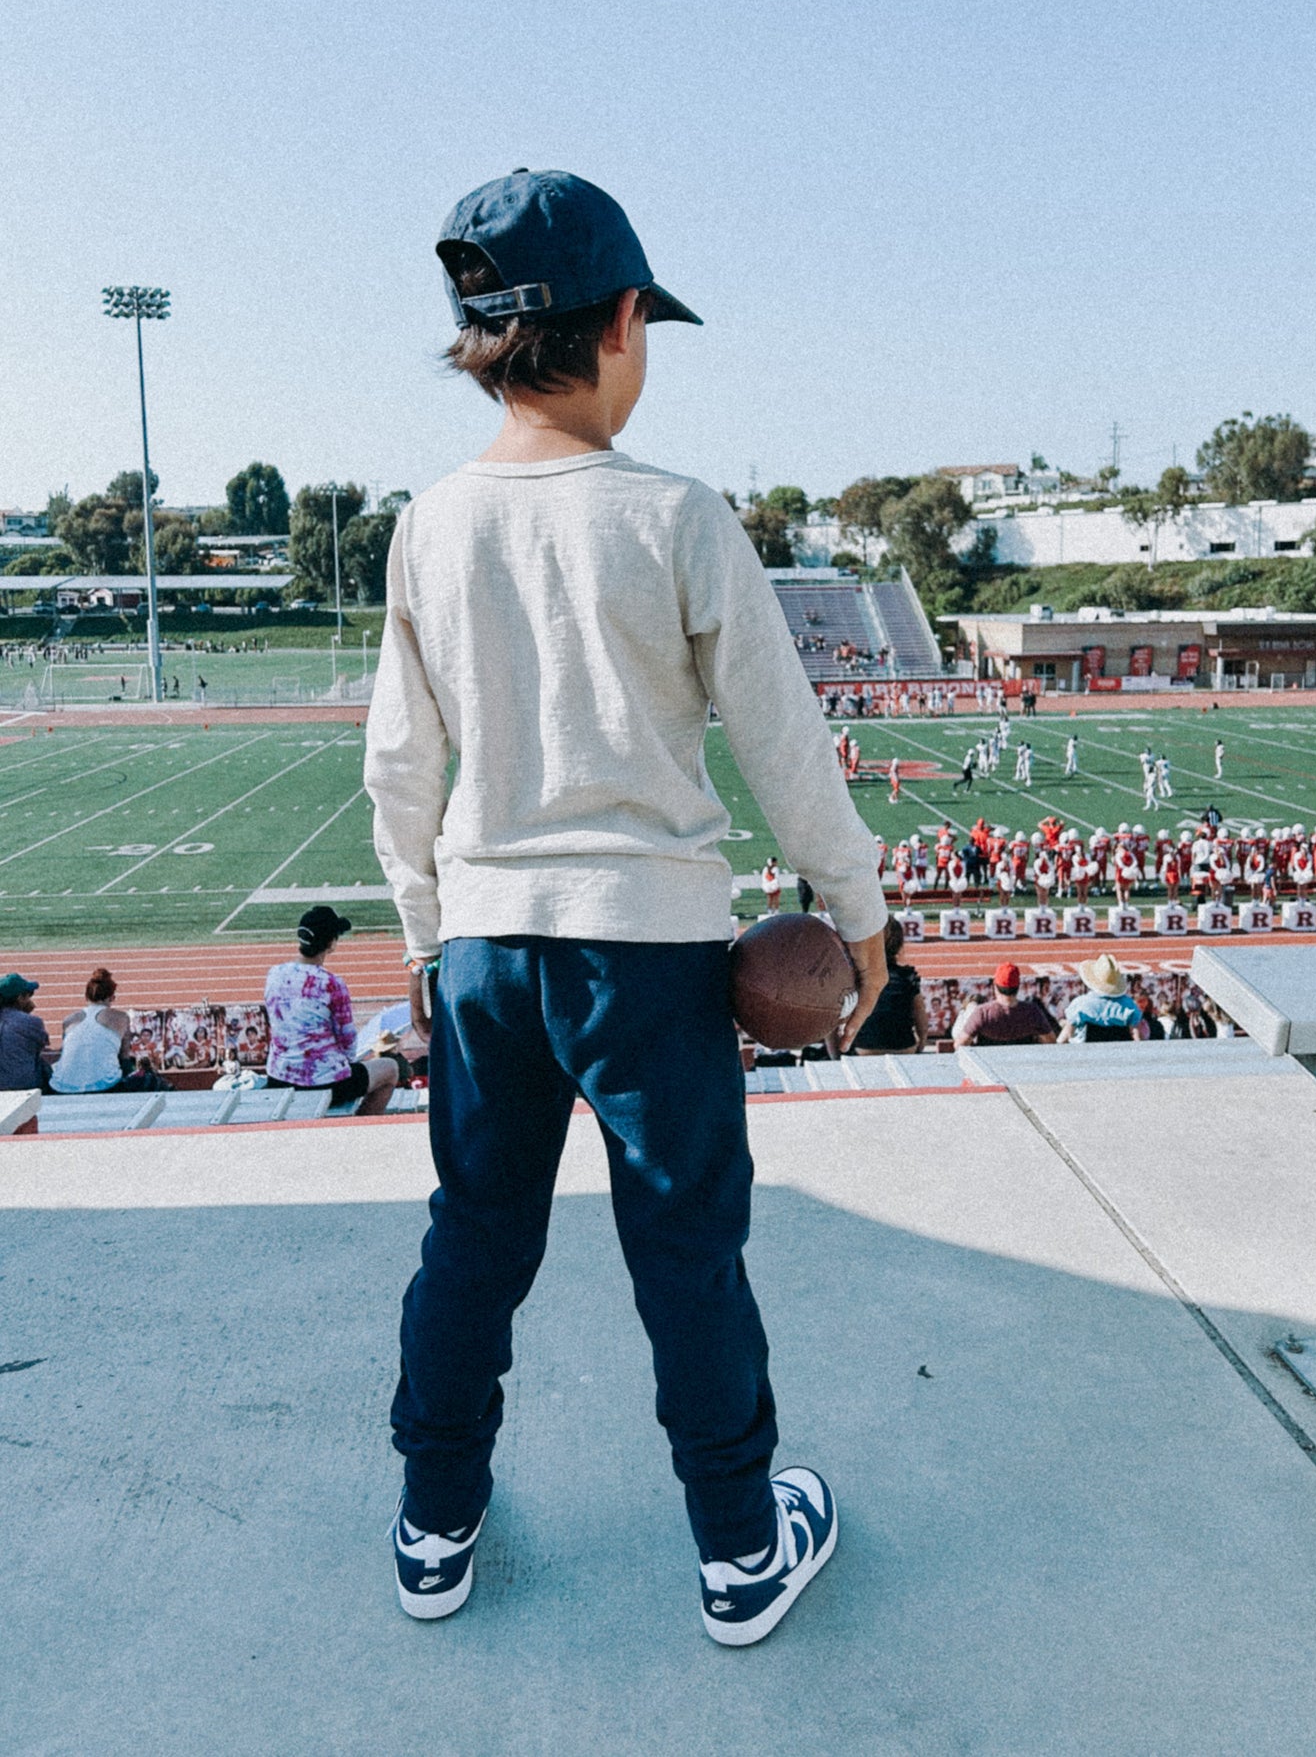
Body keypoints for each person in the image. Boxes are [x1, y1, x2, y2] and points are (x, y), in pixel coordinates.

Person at [364, 171, 885, 1643]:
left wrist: (421, 935)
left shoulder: (427, 522)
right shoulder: (676, 514)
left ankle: (433, 1520)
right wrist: (858, 911)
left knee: (472, 1238)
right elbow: (783, 742)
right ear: (622, 320)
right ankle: (736, 1545)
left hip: (482, 946)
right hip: (646, 952)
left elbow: (398, 762)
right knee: (684, 1249)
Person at [263, 906, 398, 1116]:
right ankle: (362, 1127)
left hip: (278, 1077)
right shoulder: (331, 984)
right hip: (324, 1082)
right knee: (390, 1069)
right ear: (331, 943)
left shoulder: (274, 974)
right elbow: (347, 1040)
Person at [49, 967, 167, 1094]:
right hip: (104, 1085)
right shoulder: (121, 1018)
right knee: (149, 1077)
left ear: (86, 996)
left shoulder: (69, 1020)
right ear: (111, 997)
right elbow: (124, 1059)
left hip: (61, 1086)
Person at [834, 915, 926, 1055]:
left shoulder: (854, 979)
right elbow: (922, 1021)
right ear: (898, 944)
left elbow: (833, 1019)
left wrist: (834, 1056)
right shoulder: (907, 976)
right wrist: (921, 1046)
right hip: (904, 1046)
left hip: (864, 1048)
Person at [953, 961, 1058, 1047]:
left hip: (988, 1067)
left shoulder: (983, 1013)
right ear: (1018, 987)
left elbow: (959, 1045)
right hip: (1023, 1066)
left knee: (971, 1007)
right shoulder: (1032, 1012)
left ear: (995, 986)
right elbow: (1051, 1042)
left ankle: (967, 1008)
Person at [1064, 954, 1145, 1043]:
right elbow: (1137, 1038)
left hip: (1086, 1054)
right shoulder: (1130, 1005)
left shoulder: (1080, 1004)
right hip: (1121, 1054)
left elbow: (1067, 1036)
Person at [0, 972, 50, 1092]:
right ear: (20, 998)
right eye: (29, 995)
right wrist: (26, 1014)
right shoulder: (32, 1022)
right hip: (23, 1085)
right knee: (43, 1065)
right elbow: (40, 1046)